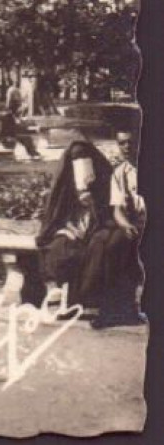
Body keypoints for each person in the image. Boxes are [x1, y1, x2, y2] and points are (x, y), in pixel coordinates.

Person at [36, 128, 114, 317]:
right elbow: (59, 216)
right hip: (73, 227)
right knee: (60, 245)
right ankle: (58, 292)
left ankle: (82, 300)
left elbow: (105, 211)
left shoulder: (104, 186)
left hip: (99, 227)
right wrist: (68, 227)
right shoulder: (68, 193)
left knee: (93, 247)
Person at [83, 130, 146, 328]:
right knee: (111, 246)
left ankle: (125, 310)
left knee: (121, 245)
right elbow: (117, 209)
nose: (127, 147)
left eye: (130, 142)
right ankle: (112, 309)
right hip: (134, 222)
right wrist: (126, 225)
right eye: (122, 144)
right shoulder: (120, 173)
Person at [0, 91, 42, 159]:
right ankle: (33, 153)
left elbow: (17, 128)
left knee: (26, 138)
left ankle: (33, 152)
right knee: (26, 139)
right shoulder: (8, 116)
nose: (20, 110)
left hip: (11, 135)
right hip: (5, 138)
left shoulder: (13, 116)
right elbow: (7, 129)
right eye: (18, 107)